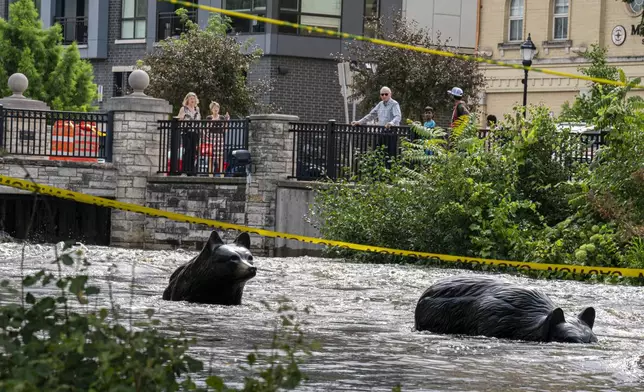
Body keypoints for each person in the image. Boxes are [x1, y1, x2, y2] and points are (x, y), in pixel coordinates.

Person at [177, 92, 201, 176]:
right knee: (187, 150)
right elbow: (179, 119)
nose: (192, 100)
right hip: (186, 132)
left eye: (194, 98)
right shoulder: (183, 109)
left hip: (195, 132)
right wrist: (182, 117)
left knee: (194, 151)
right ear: (187, 100)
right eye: (191, 98)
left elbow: (199, 120)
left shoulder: (197, 109)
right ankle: (185, 170)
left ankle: (191, 171)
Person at [206, 101, 230, 175]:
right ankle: (210, 174)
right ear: (211, 109)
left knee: (220, 157)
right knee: (210, 157)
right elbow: (207, 129)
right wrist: (213, 122)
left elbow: (225, 129)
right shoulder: (209, 117)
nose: (216, 109)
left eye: (217, 107)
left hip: (220, 137)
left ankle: (221, 174)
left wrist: (227, 120)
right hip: (210, 137)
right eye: (214, 107)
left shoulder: (222, 117)